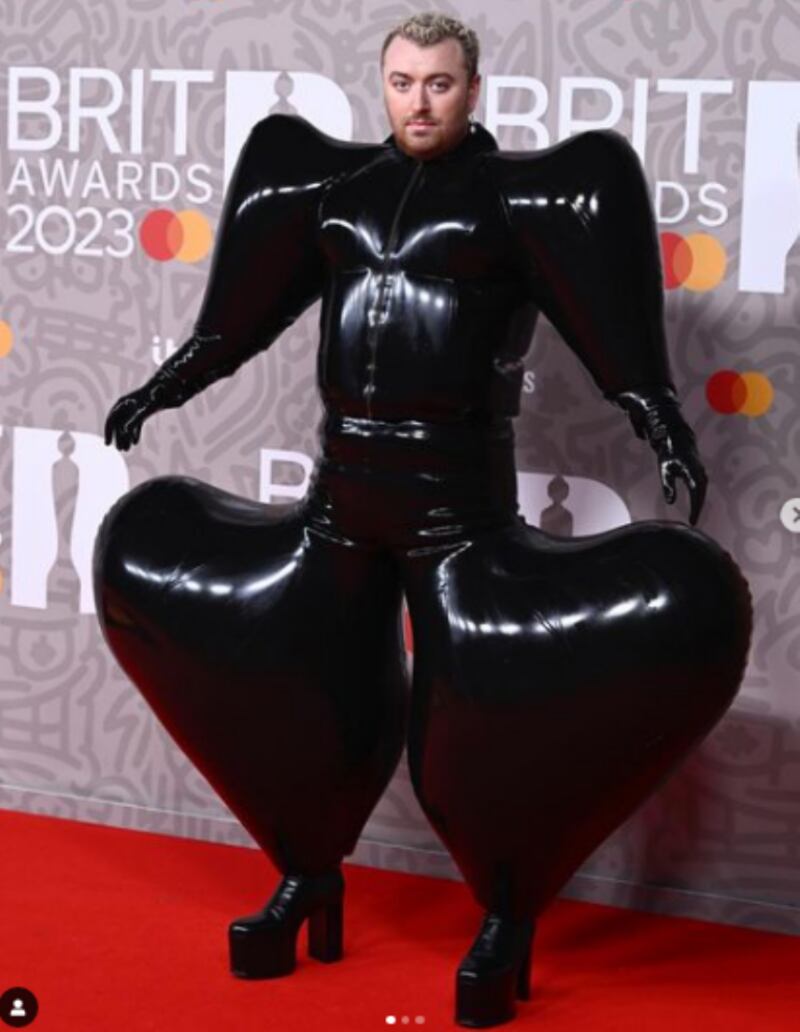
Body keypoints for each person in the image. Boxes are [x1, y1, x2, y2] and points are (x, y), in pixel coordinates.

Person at [96, 13, 752, 1028]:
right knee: (293, 687)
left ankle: (505, 910)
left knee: (474, 728)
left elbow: (610, 332)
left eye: (438, 84)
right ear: (383, 84)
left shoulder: (515, 201)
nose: (418, 101)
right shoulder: (337, 191)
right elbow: (237, 317)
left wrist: (660, 421)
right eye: (401, 82)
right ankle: (305, 873)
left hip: (457, 518)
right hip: (340, 504)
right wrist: (163, 386)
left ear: (473, 89)